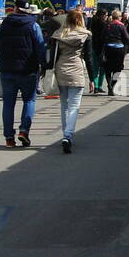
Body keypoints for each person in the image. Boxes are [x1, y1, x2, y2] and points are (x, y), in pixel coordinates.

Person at [0, 0, 47, 147]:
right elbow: (40, 47)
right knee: (29, 100)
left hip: (7, 69)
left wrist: (1, 63)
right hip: (28, 70)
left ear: (14, 8)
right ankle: (24, 131)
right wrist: (43, 64)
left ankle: (9, 139)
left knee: (8, 104)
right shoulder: (33, 25)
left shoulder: (4, 25)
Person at [51, 8, 92, 152]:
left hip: (61, 69)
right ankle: (68, 136)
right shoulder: (85, 35)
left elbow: (53, 56)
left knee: (64, 105)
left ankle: (64, 133)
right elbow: (89, 57)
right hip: (76, 70)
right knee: (74, 106)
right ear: (81, 20)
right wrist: (92, 78)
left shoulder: (59, 34)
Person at [103, 9, 129, 95]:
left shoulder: (108, 25)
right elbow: (127, 38)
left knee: (108, 69)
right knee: (117, 69)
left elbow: (102, 36)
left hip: (109, 48)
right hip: (119, 49)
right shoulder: (122, 26)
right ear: (119, 17)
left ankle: (109, 86)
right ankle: (112, 85)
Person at [89, 7, 108, 94]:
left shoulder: (93, 22)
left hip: (94, 46)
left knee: (95, 68)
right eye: (106, 15)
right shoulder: (104, 24)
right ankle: (99, 86)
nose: (107, 17)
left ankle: (95, 86)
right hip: (102, 48)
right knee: (102, 68)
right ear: (102, 15)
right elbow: (104, 37)